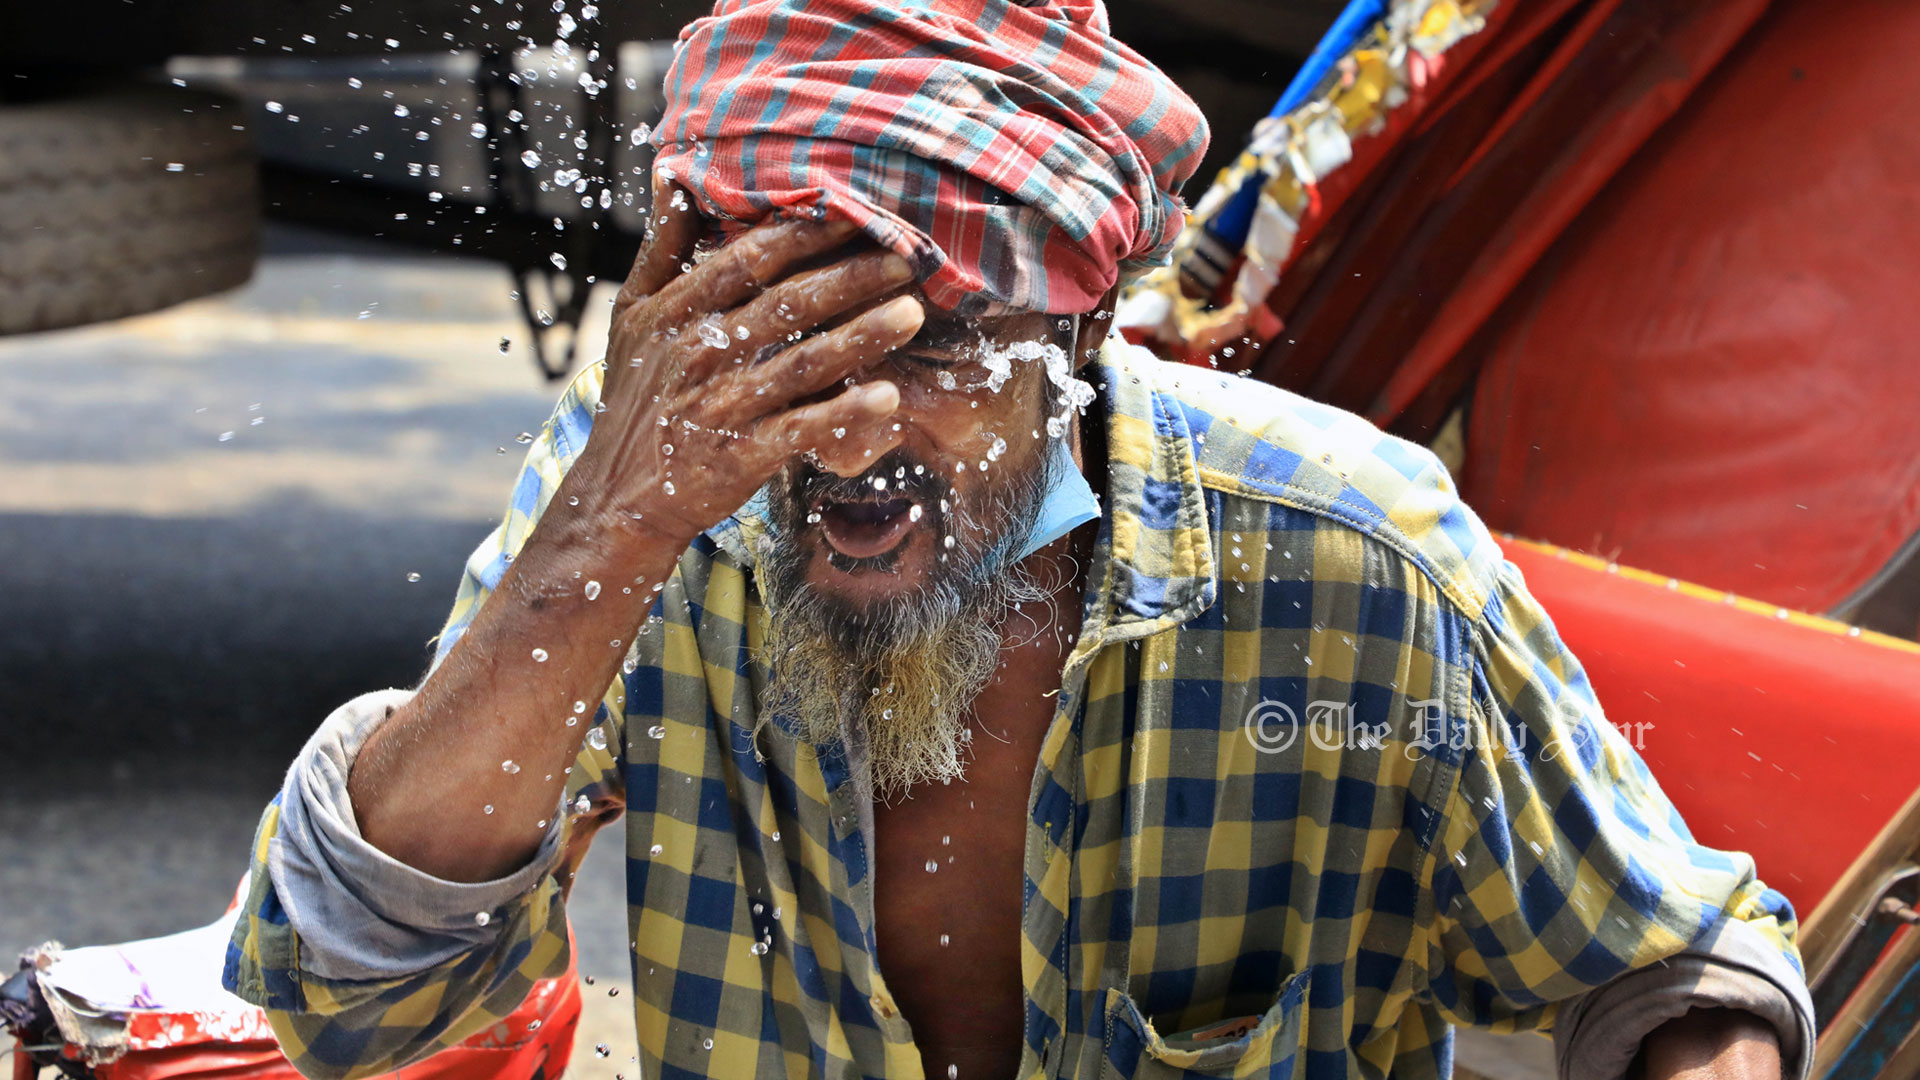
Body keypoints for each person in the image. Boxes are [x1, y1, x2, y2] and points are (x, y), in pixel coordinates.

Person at [223, 1, 1814, 1077]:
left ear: (1087, 330)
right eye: (786, 348)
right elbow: (349, 996)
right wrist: (606, 539)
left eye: (928, 349)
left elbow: (1666, 967)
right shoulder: (655, 506)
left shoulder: (1355, 558)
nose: (845, 433)